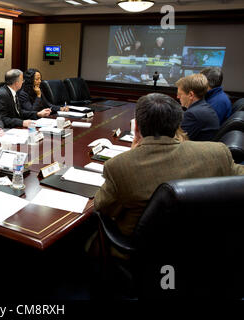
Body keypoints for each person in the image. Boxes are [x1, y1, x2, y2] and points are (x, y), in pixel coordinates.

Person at [94, 93, 244, 239]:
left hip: (143, 251)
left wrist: (133, 155)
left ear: (136, 128)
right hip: (207, 245)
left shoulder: (120, 166)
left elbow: (101, 206)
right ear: (177, 125)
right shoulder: (217, 153)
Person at [176, 73, 220, 141]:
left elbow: (178, 141)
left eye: (180, 94)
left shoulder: (192, 114)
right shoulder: (204, 107)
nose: (177, 97)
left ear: (191, 95)